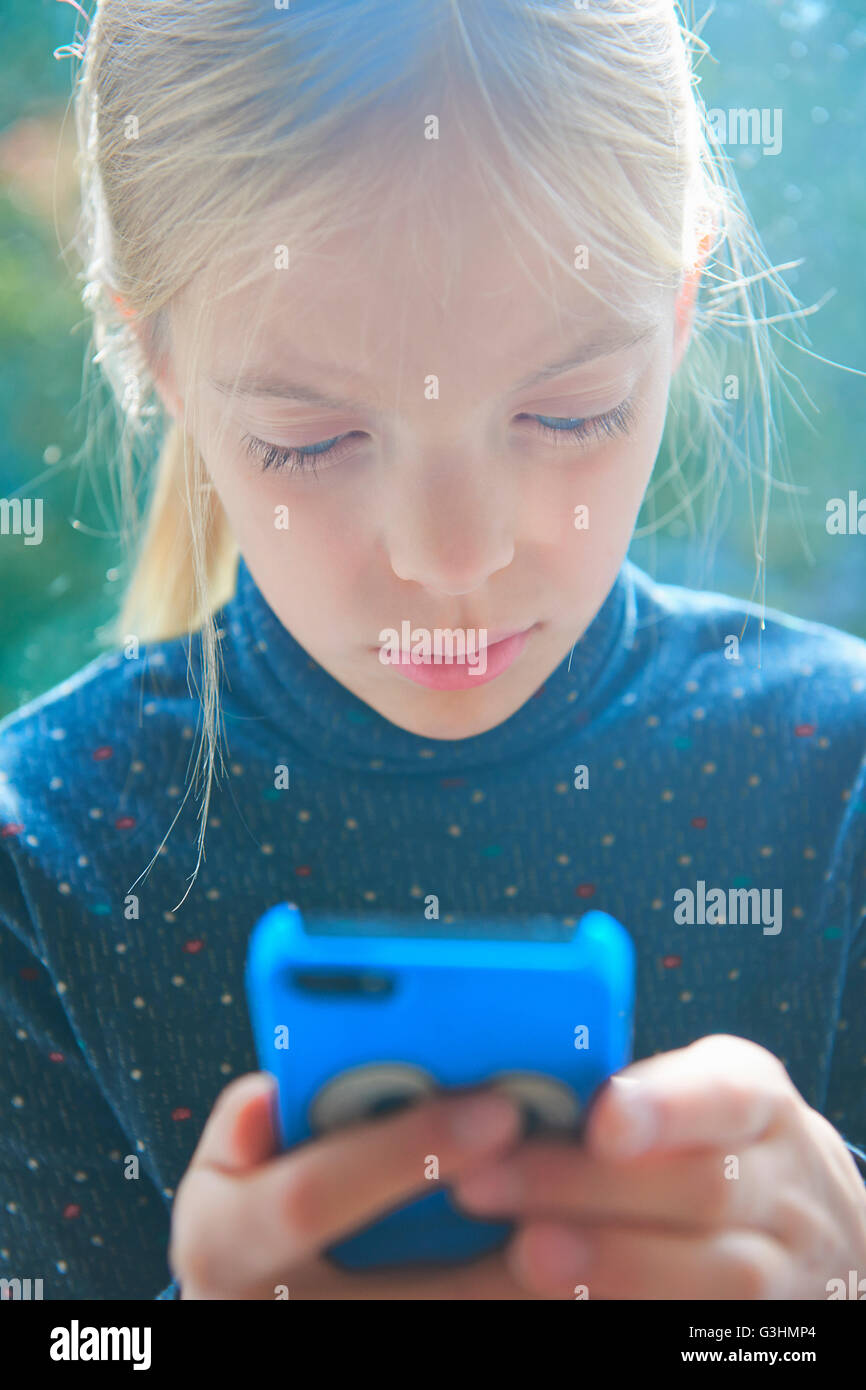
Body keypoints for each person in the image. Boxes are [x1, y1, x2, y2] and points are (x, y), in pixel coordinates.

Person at [1, 0, 864, 1301]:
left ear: (678, 320)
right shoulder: (37, 866)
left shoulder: (839, 780)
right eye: (312, 438)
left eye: (570, 412)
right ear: (165, 371)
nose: (450, 560)